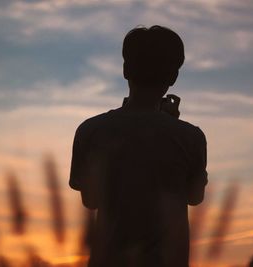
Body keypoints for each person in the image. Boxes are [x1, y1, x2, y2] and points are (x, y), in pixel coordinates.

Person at [69, 25, 208, 267]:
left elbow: (90, 201)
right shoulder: (190, 138)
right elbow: (195, 197)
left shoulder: (90, 131)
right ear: (173, 77)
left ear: (125, 70)